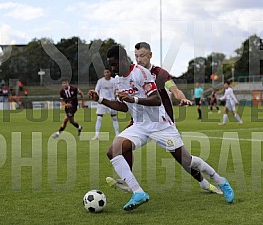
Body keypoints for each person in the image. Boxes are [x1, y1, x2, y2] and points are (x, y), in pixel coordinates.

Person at [88, 45, 234, 211]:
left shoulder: (141, 73)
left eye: (114, 65)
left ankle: (221, 181)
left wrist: (133, 99)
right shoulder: (118, 80)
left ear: (122, 60)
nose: (112, 69)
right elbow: (123, 107)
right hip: (140, 125)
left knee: (187, 161)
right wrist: (100, 100)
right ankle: (138, 192)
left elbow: (156, 100)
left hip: (160, 125)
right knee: (113, 151)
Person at [107, 42, 221, 195]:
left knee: (183, 160)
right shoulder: (125, 76)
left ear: (150, 55)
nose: (139, 59)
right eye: (136, 56)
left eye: (142, 56)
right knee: (121, 146)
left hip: (161, 122)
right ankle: (129, 181)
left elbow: (174, 89)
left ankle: (204, 182)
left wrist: (182, 98)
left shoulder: (159, 74)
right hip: (140, 122)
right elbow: (127, 102)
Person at [91, 67, 119, 140]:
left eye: (108, 72)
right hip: (102, 101)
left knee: (114, 118)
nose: (106, 74)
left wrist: (116, 97)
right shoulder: (100, 81)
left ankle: (117, 135)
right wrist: (96, 96)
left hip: (111, 101)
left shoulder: (114, 81)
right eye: (105, 72)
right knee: (99, 118)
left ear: (110, 73)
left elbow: (117, 90)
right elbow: (96, 90)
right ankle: (97, 135)